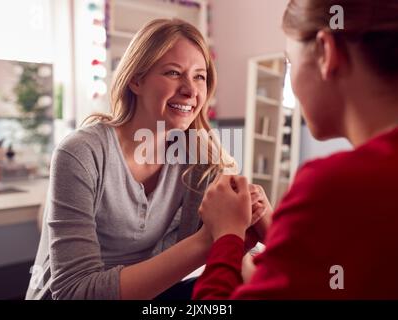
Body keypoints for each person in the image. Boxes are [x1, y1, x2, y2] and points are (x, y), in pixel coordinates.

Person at [26, 18, 267, 300]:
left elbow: (241, 256)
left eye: (200, 76)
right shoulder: (82, 152)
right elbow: (74, 293)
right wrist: (208, 240)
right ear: (136, 80)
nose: (190, 90)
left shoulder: (201, 160)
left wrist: (245, 228)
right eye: (174, 73)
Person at [193, 0, 398, 299]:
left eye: (289, 63)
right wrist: (279, 247)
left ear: (326, 52)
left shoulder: (335, 185)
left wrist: (227, 236)